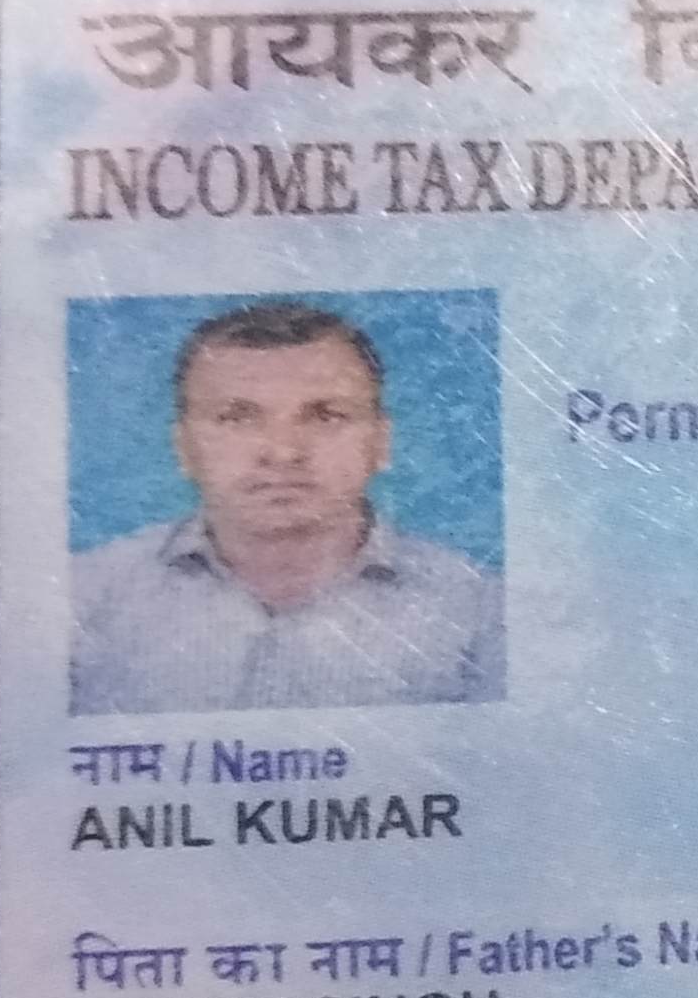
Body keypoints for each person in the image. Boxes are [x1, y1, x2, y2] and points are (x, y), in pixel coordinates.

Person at [70, 300, 502, 712]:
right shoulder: (81, 599)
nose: (283, 452)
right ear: (183, 447)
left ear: (381, 442)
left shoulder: (481, 613)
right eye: (237, 417)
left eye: (326, 416)